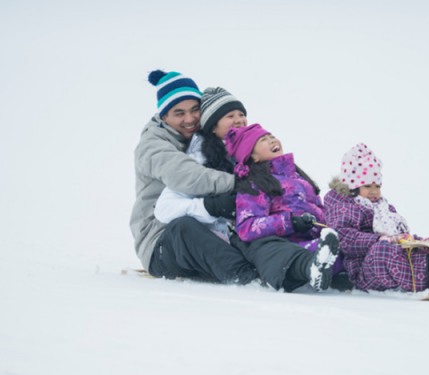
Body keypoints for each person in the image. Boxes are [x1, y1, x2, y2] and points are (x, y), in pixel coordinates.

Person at [152, 85, 342, 292]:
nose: (239, 120)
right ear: (212, 127)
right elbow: (163, 208)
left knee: (257, 239)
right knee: (185, 227)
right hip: (202, 245)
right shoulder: (199, 163)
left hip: (240, 242)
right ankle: (247, 276)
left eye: (241, 114)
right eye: (229, 116)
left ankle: (321, 267)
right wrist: (212, 206)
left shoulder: (254, 157)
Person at [130, 70, 258, 285]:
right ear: (164, 117)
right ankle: (247, 275)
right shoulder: (152, 146)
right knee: (184, 227)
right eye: (179, 113)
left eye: (195, 110)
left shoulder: (208, 139)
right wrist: (242, 184)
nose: (189, 119)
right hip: (162, 241)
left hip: (211, 232)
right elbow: (187, 177)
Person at [323, 143, 429, 292]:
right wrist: (377, 240)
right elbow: (343, 237)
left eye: (377, 186)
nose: (374, 191)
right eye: (368, 186)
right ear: (352, 187)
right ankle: (427, 280)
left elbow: (397, 233)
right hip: (364, 269)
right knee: (383, 250)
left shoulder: (382, 207)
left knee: (413, 247)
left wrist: (415, 241)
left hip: (391, 255)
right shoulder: (345, 206)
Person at [224, 123, 341, 291]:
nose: (272, 140)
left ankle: (338, 272)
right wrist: (290, 222)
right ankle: (313, 267)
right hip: (288, 246)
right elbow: (246, 227)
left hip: (315, 239)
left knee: (346, 245)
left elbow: (319, 209)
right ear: (253, 156)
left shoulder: (300, 179)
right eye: (263, 140)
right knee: (318, 252)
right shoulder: (254, 184)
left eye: (272, 136)